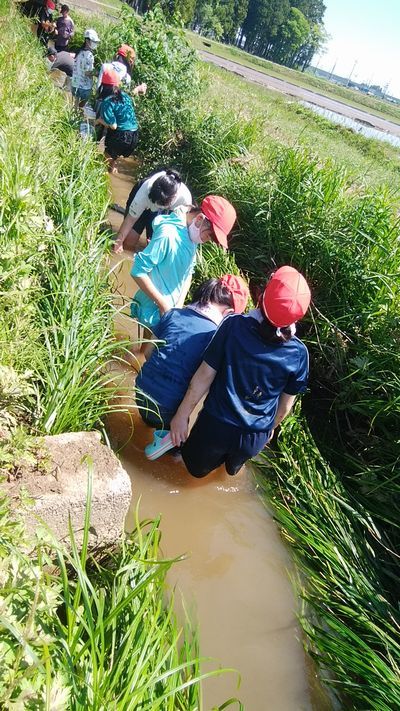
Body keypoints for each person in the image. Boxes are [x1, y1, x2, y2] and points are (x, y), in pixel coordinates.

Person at [169, 266, 311, 478]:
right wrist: (269, 429)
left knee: (187, 470)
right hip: (254, 438)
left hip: (215, 427)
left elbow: (204, 377)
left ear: (262, 296)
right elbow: (285, 407)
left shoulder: (233, 325)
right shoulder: (299, 353)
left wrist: (181, 416)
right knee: (230, 471)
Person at [136, 275, 249, 429]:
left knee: (147, 425)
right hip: (167, 407)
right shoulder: (215, 337)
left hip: (140, 390)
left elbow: (148, 353)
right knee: (173, 446)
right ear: (229, 313)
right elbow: (202, 383)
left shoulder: (173, 314)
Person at [130, 195, 237, 331]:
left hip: (169, 309)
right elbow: (137, 271)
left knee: (146, 350)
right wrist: (163, 305)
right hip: (153, 307)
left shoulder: (191, 236)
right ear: (199, 219)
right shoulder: (168, 234)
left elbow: (188, 273)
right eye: (209, 236)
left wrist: (178, 307)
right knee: (145, 351)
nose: (207, 240)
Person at [113, 169, 192, 253]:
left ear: (174, 197)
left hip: (164, 213)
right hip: (144, 200)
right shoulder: (144, 191)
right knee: (128, 243)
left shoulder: (184, 201)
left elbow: (179, 230)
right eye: (156, 203)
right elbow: (130, 220)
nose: (157, 206)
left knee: (153, 246)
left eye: (160, 204)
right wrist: (118, 242)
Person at [96, 71, 143, 173]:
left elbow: (113, 126)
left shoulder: (107, 101)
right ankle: (113, 170)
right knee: (112, 160)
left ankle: (107, 182)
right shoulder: (125, 96)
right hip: (134, 135)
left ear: (103, 86)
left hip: (122, 136)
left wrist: (99, 120)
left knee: (105, 163)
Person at [71, 28, 100, 108]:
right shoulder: (90, 55)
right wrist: (98, 73)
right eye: (94, 41)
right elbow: (87, 72)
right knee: (82, 109)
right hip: (85, 87)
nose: (95, 44)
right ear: (87, 41)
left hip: (75, 84)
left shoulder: (79, 51)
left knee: (74, 108)